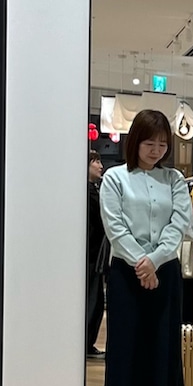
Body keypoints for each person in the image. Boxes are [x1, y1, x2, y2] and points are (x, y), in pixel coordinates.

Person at [97, 109, 193, 386]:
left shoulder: (175, 180)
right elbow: (114, 225)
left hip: (164, 270)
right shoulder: (115, 178)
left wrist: (153, 261)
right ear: (135, 141)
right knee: (125, 343)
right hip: (126, 272)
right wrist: (141, 263)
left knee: (161, 343)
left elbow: (178, 223)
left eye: (163, 144)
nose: (156, 150)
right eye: (149, 143)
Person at [86, 152, 108, 359]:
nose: (100, 166)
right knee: (93, 299)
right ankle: (86, 343)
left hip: (94, 254)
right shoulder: (88, 192)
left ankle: (87, 343)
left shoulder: (94, 190)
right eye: (96, 162)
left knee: (96, 299)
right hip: (91, 254)